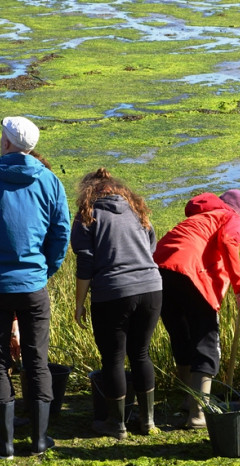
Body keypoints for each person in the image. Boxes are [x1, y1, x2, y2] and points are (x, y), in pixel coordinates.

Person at [0, 116, 70, 459]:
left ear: (6, 142)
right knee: (37, 360)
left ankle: (4, 443)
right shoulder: (49, 181)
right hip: (33, 284)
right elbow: (60, 233)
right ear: (31, 147)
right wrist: (46, 269)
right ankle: (38, 440)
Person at [71, 168, 163, 439]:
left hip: (113, 292)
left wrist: (79, 304)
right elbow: (151, 248)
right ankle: (148, 422)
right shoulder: (137, 210)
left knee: (113, 359)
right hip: (151, 287)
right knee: (141, 354)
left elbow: (85, 263)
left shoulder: (87, 215)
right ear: (117, 188)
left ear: (89, 191)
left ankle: (116, 423)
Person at [154, 189, 240, 430]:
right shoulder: (231, 217)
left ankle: (189, 401)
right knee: (206, 342)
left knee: (182, 336)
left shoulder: (198, 218)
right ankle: (198, 415)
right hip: (187, 272)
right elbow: (229, 242)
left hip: (157, 272)